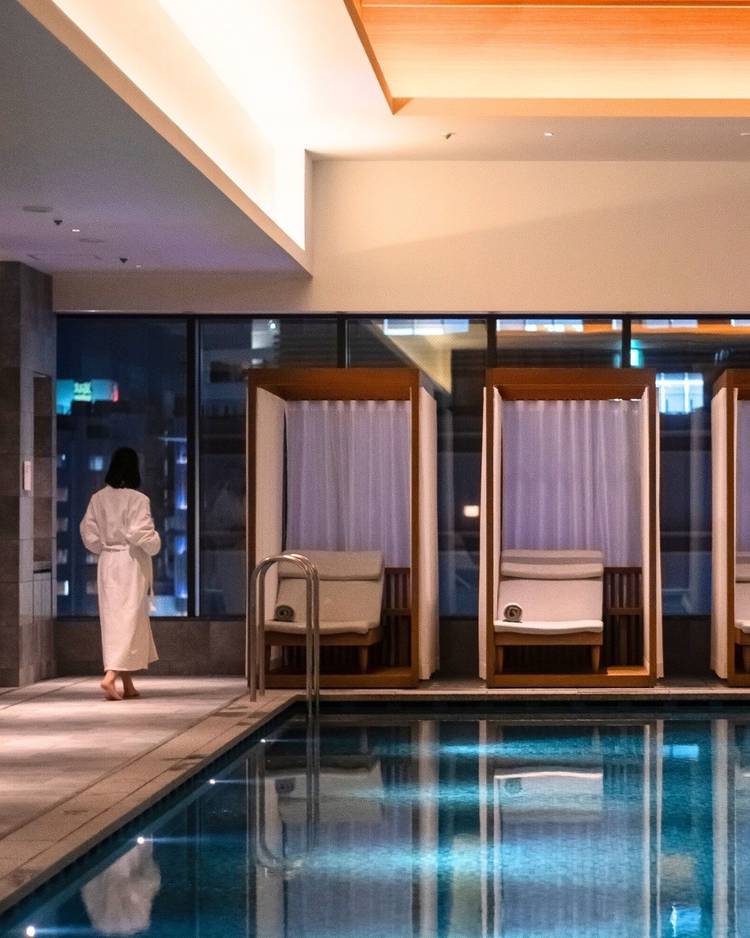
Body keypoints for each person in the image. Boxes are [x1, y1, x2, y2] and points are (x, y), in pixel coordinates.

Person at [80, 447, 161, 700]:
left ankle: (127, 684)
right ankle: (110, 676)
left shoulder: (98, 498)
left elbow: (89, 534)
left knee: (114, 620)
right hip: (130, 561)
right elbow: (141, 534)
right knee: (129, 619)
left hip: (108, 562)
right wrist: (155, 542)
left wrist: (105, 546)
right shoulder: (138, 499)